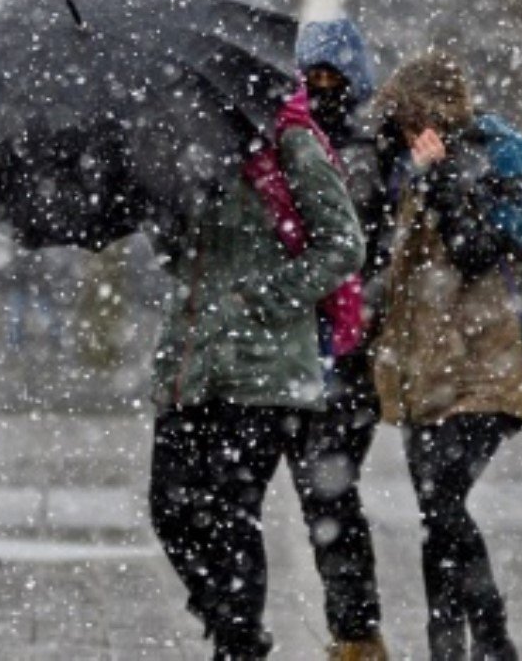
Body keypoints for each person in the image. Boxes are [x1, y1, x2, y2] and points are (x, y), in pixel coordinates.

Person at [369, 52, 522, 661]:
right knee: (435, 512)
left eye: (407, 116)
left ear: (433, 112)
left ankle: (492, 642)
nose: (400, 129)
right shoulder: (408, 166)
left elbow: (477, 250)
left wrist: (441, 179)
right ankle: (447, 647)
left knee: (443, 500)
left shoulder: (487, 159)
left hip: (489, 363)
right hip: (426, 364)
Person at [146, 87, 365, 660]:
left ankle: (238, 643)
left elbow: (343, 244)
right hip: (191, 364)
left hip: (263, 369)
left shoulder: (289, 144)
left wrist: (267, 299)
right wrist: (165, 214)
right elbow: (180, 258)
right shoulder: (185, 148)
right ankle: (232, 626)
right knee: (169, 508)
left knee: (228, 511)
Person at [289, 19, 393, 660]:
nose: (324, 88)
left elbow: (353, 236)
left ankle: (355, 631)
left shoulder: (367, 147)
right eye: (313, 77)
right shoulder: (297, 140)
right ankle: (353, 630)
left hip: (347, 345)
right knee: (325, 493)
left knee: (328, 491)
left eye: (335, 77)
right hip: (312, 343)